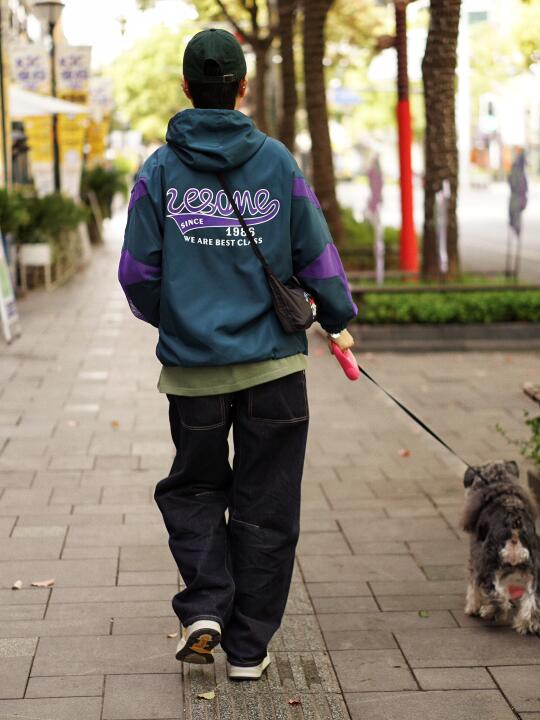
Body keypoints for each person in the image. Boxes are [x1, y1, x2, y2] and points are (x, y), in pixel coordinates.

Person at [118, 28, 357, 681]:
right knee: (268, 502)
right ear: (242, 88)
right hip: (274, 368)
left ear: (187, 88)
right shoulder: (277, 163)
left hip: (193, 374)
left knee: (194, 487)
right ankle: (249, 649)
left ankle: (205, 607)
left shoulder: (159, 171)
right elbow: (316, 253)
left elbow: (137, 272)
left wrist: (181, 317)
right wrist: (337, 319)